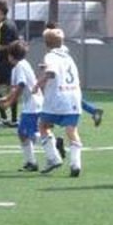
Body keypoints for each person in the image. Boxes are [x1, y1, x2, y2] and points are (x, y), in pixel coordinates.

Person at [36, 27, 83, 177]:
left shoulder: (50, 56)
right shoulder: (68, 57)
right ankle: (75, 163)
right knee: (72, 131)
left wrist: (38, 84)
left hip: (57, 98)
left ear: (46, 43)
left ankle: (53, 158)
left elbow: (51, 73)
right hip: (74, 97)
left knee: (43, 126)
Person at [0, 39, 44, 171]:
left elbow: (21, 85)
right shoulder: (24, 64)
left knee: (24, 132)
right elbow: (17, 87)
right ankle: (32, 161)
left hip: (32, 105)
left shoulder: (19, 67)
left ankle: (51, 145)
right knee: (26, 133)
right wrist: (7, 98)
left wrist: (9, 102)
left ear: (10, 55)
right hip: (36, 103)